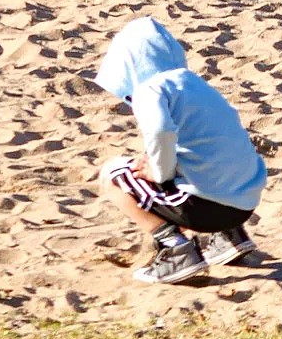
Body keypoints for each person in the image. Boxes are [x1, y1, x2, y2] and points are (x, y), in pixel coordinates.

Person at [95, 16, 267, 285]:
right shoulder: (194, 84)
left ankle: (175, 248)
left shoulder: (150, 89)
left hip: (207, 208)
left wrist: (159, 172)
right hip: (244, 203)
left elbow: (160, 131)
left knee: (113, 174)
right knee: (202, 160)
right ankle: (229, 236)